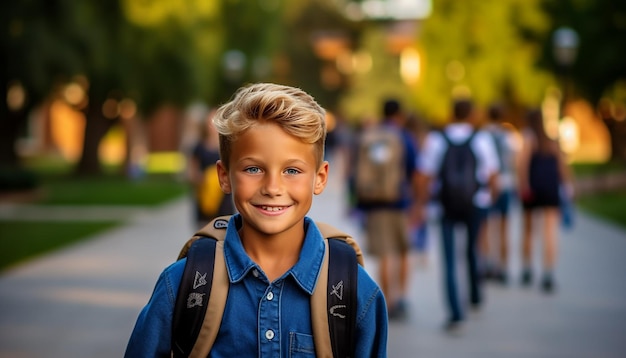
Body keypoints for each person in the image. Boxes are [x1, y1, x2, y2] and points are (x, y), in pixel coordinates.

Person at [124, 83, 388, 357]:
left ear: (319, 178)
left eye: (292, 170)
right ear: (224, 176)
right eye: (253, 168)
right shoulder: (181, 286)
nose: (272, 188)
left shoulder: (355, 293)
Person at [416, 98, 499, 332]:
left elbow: (424, 175)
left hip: (445, 205)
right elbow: (493, 174)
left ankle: (455, 312)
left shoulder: (436, 139)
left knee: (449, 259)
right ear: (471, 114)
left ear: (451, 114)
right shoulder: (481, 139)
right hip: (476, 202)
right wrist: (491, 199)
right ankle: (474, 294)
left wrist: (422, 204)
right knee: (473, 249)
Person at [353, 99, 419, 321]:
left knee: (383, 255)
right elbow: (414, 170)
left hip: (373, 202)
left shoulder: (370, 136)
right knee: (401, 252)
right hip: (399, 202)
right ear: (399, 115)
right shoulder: (403, 137)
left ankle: (386, 300)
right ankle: (399, 299)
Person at [518, 108, 573, 293]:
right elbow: (563, 167)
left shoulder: (528, 139)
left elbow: (522, 165)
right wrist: (567, 186)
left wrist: (523, 186)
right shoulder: (552, 141)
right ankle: (548, 273)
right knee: (550, 232)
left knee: (528, 230)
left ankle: (527, 268)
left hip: (533, 190)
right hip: (550, 190)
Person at [479, 103, 520, 284]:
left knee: (485, 228)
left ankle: (487, 264)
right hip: (505, 184)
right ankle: (502, 267)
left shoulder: (482, 135)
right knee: (504, 229)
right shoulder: (509, 136)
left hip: (487, 185)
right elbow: (514, 161)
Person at [187, 109, 236, 229]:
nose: (212, 126)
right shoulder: (199, 146)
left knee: (224, 230)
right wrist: (200, 178)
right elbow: (191, 171)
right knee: (204, 229)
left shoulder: (228, 146)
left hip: (223, 196)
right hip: (205, 195)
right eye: (210, 123)